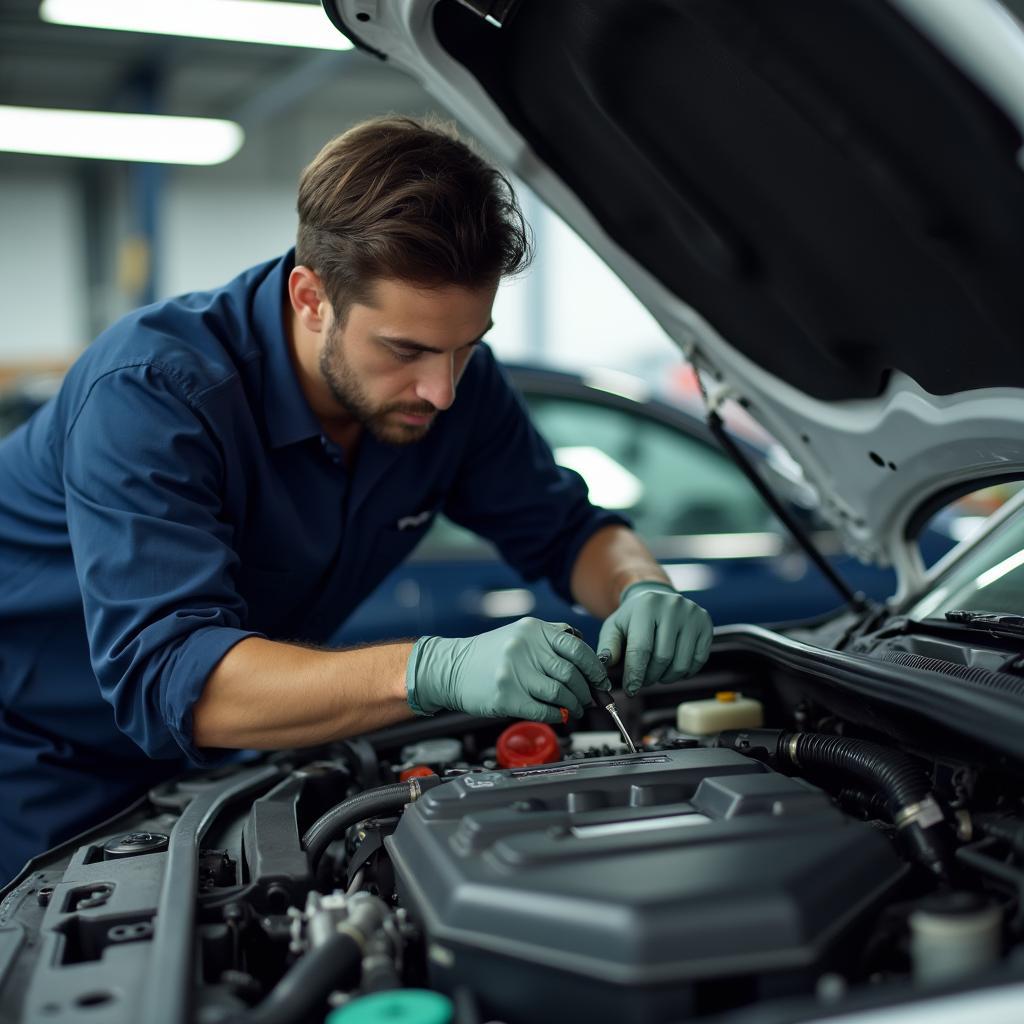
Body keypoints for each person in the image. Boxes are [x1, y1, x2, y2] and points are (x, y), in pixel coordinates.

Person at [0, 116, 712, 884]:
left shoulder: (455, 387)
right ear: (311, 297)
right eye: (404, 350)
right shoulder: (152, 393)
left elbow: (570, 531)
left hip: (226, 765)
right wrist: (432, 671)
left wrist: (640, 586)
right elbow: (177, 679)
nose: (440, 390)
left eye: (466, 346)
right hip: (39, 762)